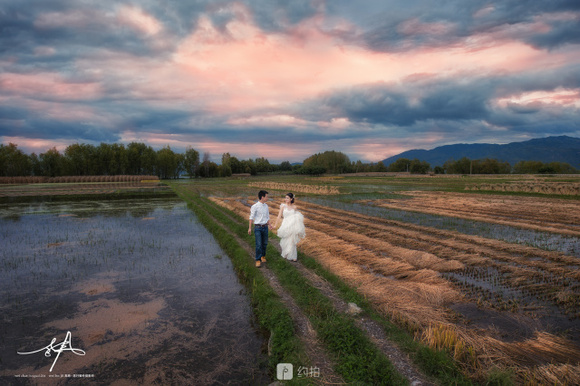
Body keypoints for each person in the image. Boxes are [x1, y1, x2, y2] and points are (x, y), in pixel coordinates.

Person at [273, 192, 305, 262]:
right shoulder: (283, 206)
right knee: (286, 239)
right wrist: (275, 225)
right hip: (285, 224)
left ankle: (293, 256)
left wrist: (298, 225)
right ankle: (286, 253)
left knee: (292, 240)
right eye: (285, 198)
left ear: (291, 199)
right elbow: (279, 216)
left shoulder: (294, 207)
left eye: (287, 198)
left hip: (293, 225)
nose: (286, 199)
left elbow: (298, 216)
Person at [248, 190, 271, 268]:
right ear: (262, 197)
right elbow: (251, 218)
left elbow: (267, 217)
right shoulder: (254, 206)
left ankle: (263, 256)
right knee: (258, 245)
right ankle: (258, 260)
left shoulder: (266, 206)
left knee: (264, 243)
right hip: (258, 228)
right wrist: (250, 228)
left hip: (265, 227)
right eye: (266, 196)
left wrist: (270, 225)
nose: (267, 198)